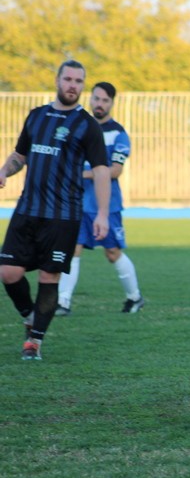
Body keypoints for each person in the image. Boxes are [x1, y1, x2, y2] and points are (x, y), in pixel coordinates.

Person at [0, 60, 110, 360]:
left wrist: (101, 213)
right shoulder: (36, 116)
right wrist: (3, 170)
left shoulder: (86, 124)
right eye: (68, 79)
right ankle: (30, 316)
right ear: (57, 80)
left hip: (63, 216)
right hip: (27, 209)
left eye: (79, 81)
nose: (73, 85)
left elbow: (101, 170)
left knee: (50, 278)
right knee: (8, 272)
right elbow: (20, 155)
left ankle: (34, 342)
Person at [55, 82, 143, 316]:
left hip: (106, 205)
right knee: (72, 250)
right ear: (90, 99)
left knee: (112, 253)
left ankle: (134, 297)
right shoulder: (79, 127)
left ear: (112, 103)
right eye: (96, 99)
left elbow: (114, 171)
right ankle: (63, 301)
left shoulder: (118, 133)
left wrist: (80, 173)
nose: (100, 104)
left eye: (105, 100)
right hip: (77, 203)